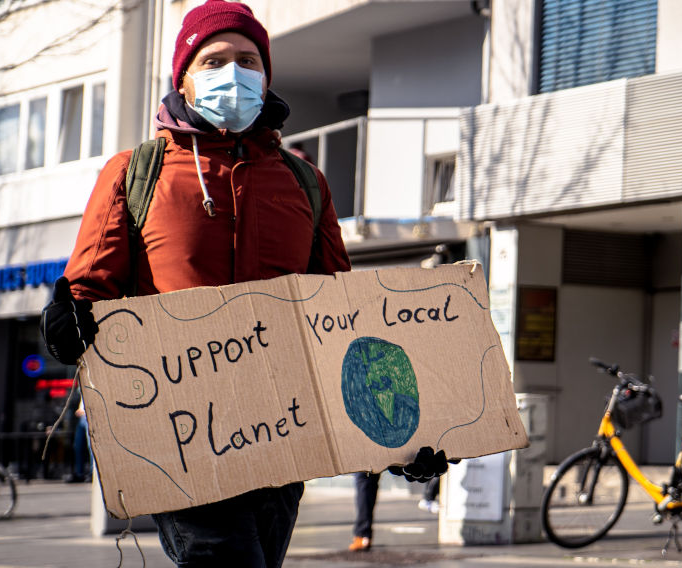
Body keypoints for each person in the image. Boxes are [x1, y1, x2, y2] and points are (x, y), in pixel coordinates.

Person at [39, 2, 448, 566]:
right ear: (183, 77)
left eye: (248, 60)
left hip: (283, 434)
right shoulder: (136, 173)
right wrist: (68, 320)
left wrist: (397, 434)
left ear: (266, 75)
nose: (233, 73)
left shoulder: (305, 181)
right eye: (214, 60)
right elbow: (89, 292)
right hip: (180, 436)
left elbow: (338, 324)